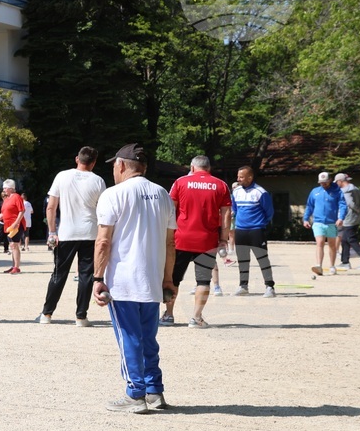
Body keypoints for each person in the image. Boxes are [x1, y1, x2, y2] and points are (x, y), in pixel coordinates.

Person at [92, 143, 176, 414]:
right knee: (148, 338)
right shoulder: (163, 194)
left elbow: (103, 241)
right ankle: (154, 391)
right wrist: (167, 279)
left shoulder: (112, 194)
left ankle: (134, 393)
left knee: (129, 337)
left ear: (120, 165)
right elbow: (170, 243)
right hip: (152, 277)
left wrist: (97, 277)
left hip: (125, 280)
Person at [38, 146, 106, 327]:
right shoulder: (98, 181)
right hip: (90, 232)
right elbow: (103, 210)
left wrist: (52, 232)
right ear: (93, 162)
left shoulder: (62, 176)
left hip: (66, 233)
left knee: (59, 274)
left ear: (77, 159)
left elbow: (51, 207)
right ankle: (81, 316)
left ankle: (47, 313)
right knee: (86, 275)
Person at [160, 155, 230, 329]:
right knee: (204, 281)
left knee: (172, 278)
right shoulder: (220, 185)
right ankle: (196, 318)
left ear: (192, 168)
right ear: (209, 169)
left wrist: (166, 235)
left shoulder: (180, 182)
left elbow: (169, 209)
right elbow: (227, 214)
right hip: (207, 240)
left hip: (180, 238)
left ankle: (168, 315)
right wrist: (223, 238)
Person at [231, 166, 277, 296]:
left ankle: (269, 287)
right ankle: (243, 286)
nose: (238, 179)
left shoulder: (261, 192)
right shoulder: (236, 192)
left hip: (256, 230)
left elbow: (269, 212)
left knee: (262, 259)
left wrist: (260, 224)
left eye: (241, 177)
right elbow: (235, 209)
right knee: (243, 260)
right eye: (238, 176)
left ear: (249, 177)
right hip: (240, 230)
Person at [303, 171, 342, 276]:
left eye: (325, 182)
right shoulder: (315, 191)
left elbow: (342, 205)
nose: (323, 184)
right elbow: (309, 206)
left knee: (332, 245)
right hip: (318, 222)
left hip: (331, 222)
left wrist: (341, 218)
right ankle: (319, 265)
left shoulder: (337, 191)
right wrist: (306, 219)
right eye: (321, 182)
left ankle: (332, 266)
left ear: (330, 180)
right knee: (319, 243)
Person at [334, 173, 360, 270]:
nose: (336, 184)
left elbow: (350, 204)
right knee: (344, 239)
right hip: (355, 217)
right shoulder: (355, 188)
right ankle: (345, 262)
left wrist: (358, 210)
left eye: (337, 182)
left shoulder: (345, 191)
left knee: (351, 239)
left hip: (349, 217)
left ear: (340, 181)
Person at [0, 180, 24, 273]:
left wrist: (16, 223)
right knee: (12, 245)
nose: (4, 190)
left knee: (14, 245)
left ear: (11, 188)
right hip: (9, 225)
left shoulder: (16, 197)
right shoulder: (7, 199)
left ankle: (16, 267)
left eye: (5, 188)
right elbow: (3, 214)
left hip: (16, 225)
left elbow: (21, 210)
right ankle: (14, 265)